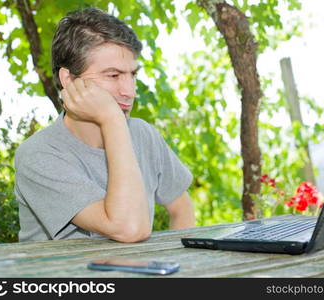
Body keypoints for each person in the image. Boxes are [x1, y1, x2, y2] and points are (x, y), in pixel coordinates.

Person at [14, 7, 195, 242]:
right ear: (68, 79)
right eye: (113, 75)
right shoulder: (38, 155)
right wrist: (112, 120)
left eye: (133, 75)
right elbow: (128, 229)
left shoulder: (143, 134)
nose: (129, 91)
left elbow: (181, 208)